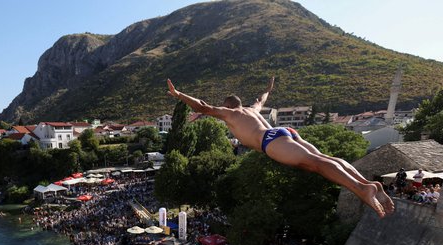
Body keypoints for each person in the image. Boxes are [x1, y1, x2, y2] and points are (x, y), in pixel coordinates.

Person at [166, 78, 395, 218]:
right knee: (323, 158)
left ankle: (360, 188)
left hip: (269, 141)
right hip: (284, 132)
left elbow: (203, 107)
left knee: (316, 164)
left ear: (227, 105)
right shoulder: (251, 109)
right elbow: (261, 98)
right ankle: (368, 183)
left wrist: (179, 95)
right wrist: (269, 88)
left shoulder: (230, 113)